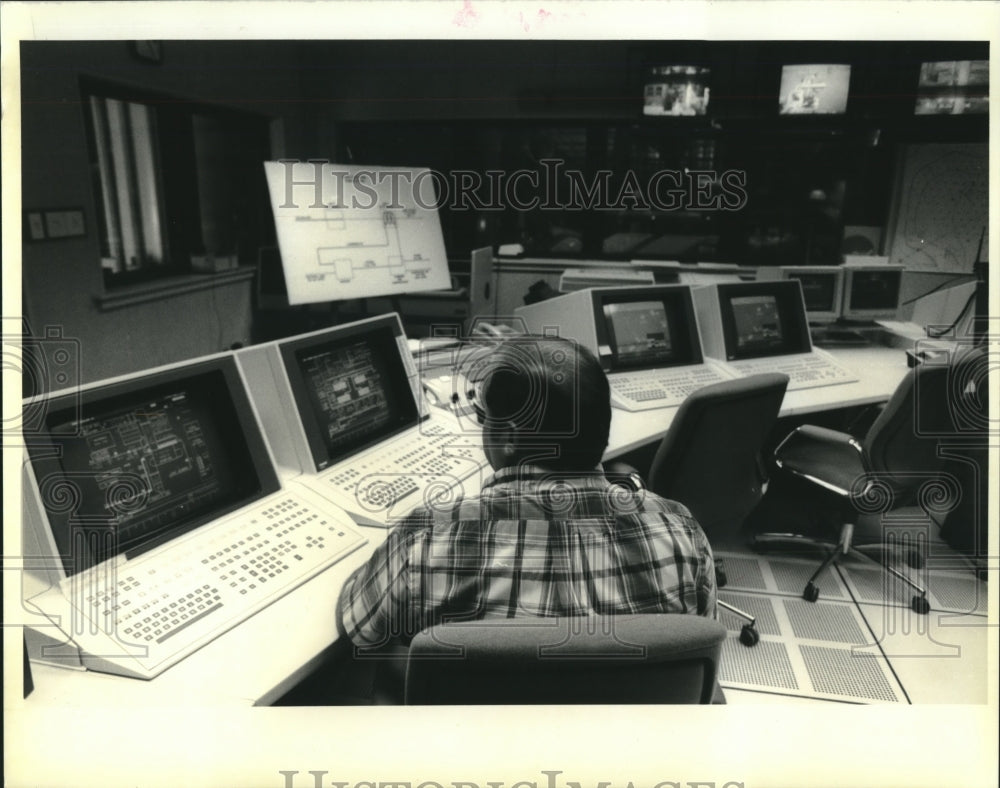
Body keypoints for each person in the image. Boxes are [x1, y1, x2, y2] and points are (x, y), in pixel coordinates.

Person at [336, 336, 718, 664]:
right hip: (623, 742)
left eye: (485, 416)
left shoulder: (430, 535)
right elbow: (698, 641)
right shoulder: (681, 527)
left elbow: (360, 628)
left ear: (511, 437)